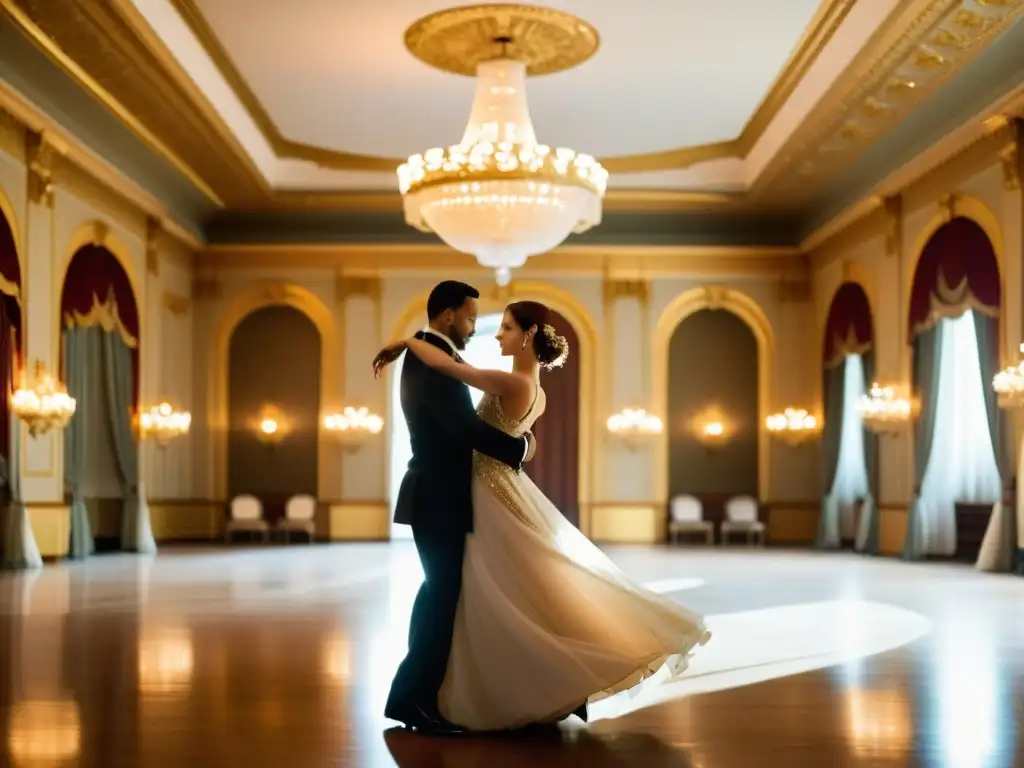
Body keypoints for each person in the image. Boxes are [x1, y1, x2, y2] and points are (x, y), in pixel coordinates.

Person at [374, 297, 710, 733]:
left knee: (491, 591)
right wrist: (526, 447)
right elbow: (522, 438)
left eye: (507, 328)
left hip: (484, 488)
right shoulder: (538, 392)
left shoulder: (508, 382)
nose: (496, 334)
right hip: (491, 485)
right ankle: (525, 686)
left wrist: (408, 341)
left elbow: (454, 371)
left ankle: (510, 685)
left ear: (529, 335)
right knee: (510, 589)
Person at [381, 281, 536, 734]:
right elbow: (464, 427)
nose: (474, 326)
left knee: (437, 593)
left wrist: (405, 340)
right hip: (438, 496)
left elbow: (463, 387)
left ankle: (418, 697)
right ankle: (413, 700)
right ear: (449, 315)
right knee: (439, 597)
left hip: (439, 493)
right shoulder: (433, 362)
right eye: (471, 317)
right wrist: (520, 449)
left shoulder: (434, 355)